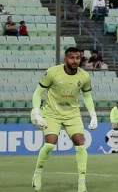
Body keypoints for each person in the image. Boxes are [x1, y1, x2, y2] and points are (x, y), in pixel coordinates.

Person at [30, 47, 97, 192]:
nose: (75, 61)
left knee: (80, 144)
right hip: (52, 113)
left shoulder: (84, 76)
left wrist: (93, 116)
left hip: (72, 114)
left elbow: (87, 96)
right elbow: (37, 93)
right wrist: (36, 112)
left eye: (78, 58)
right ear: (65, 59)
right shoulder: (52, 72)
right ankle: (37, 173)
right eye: (72, 58)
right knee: (50, 145)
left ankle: (82, 182)